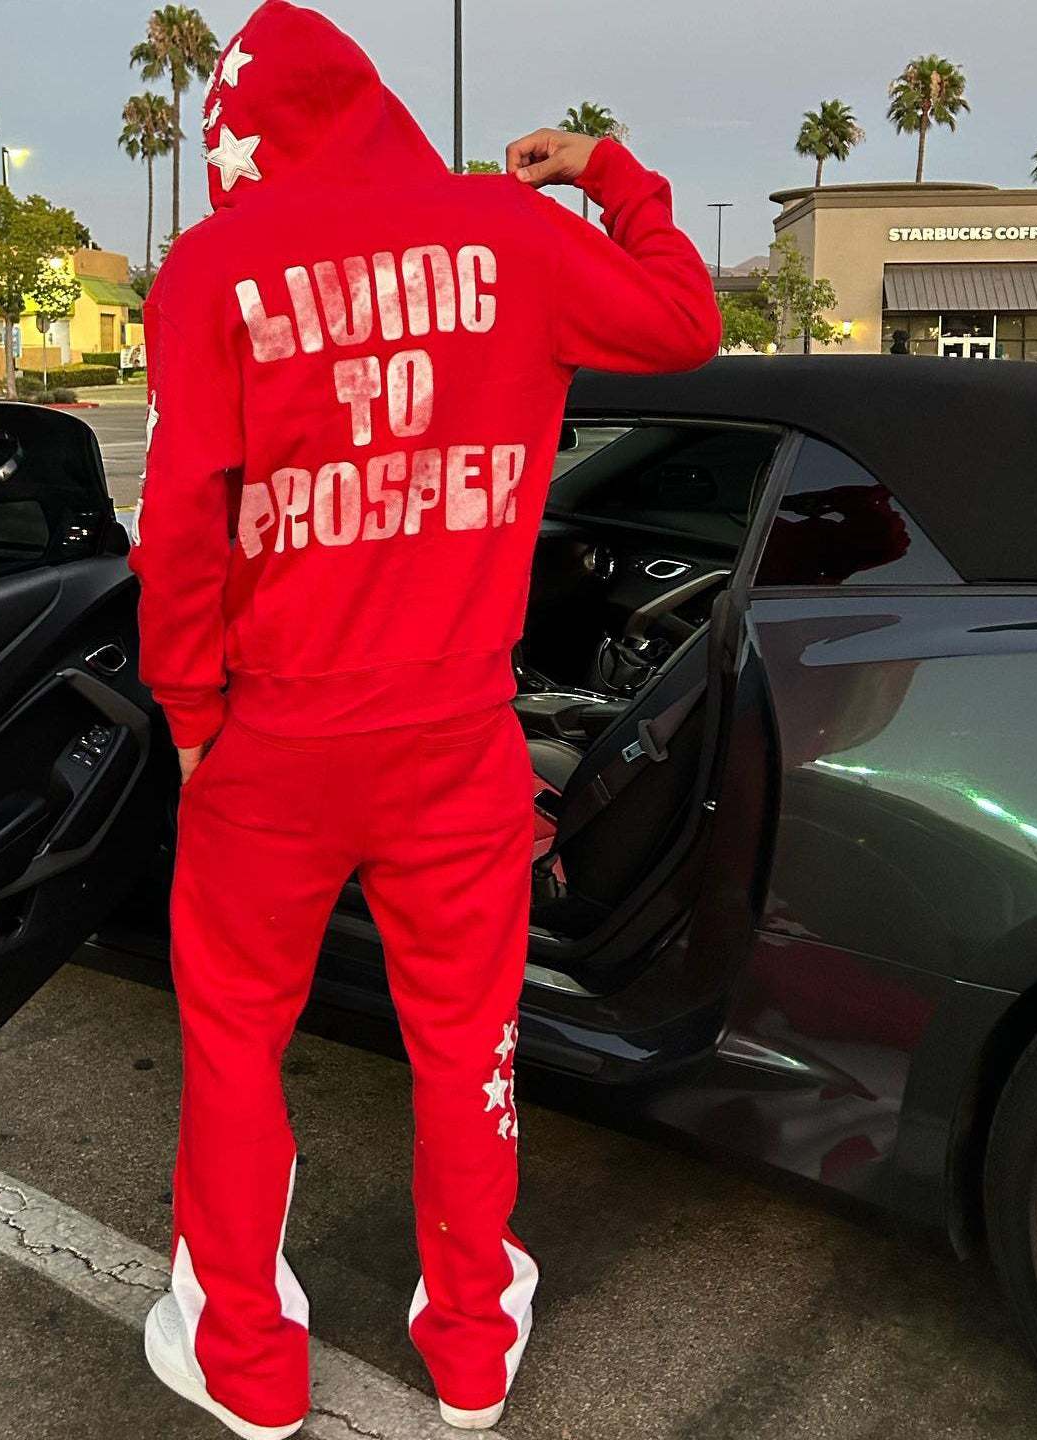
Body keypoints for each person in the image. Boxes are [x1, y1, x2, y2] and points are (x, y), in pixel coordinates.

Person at [128, 4, 720, 1435]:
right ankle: (469, 1343)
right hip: (457, 735)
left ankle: (246, 1358)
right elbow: (686, 322)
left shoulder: (213, 267)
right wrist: (607, 169)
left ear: (237, 139)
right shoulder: (511, 238)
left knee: (236, 1039)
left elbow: (184, 521)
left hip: (273, 741)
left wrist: (190, 709)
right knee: (467, 1045)